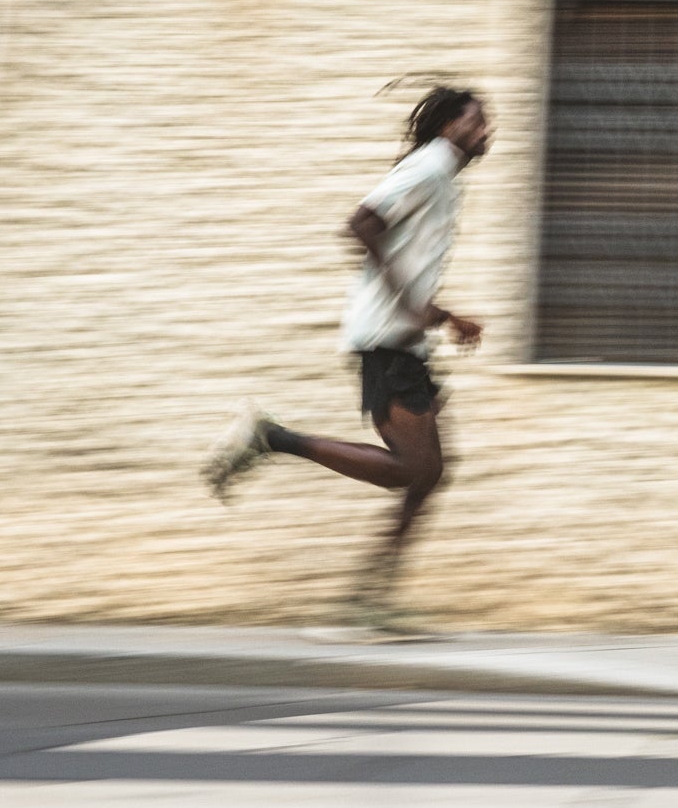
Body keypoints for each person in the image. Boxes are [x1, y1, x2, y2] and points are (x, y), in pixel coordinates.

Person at [202, 84, 490, 633]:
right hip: (386, 339)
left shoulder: (442, 179)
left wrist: (443, 316)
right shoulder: (431, 167)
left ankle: (370, 598)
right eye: (477, 120)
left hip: (402, 340)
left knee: (429, 474)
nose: (486, 131)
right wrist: (408, 304)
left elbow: (404, 255)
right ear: (448, 125)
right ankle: (272, 438)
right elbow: (361, 224)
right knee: (411, 470)